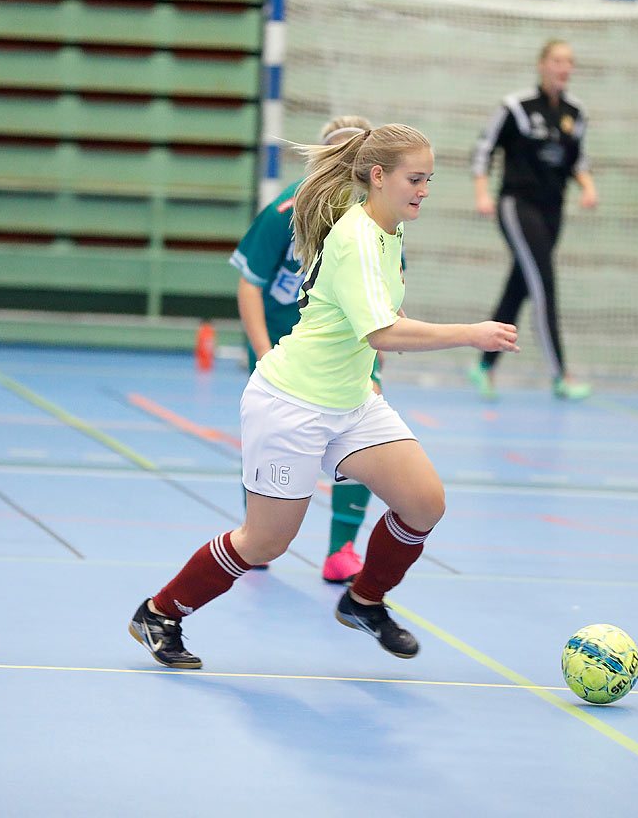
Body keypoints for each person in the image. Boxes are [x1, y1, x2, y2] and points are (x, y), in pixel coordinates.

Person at [132, 123, 519, 668]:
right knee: (266, 542)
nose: (424, 190)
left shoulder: (389, 229)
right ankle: (160, 611)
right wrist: (469, 333)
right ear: (378, 177)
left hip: (350, 400)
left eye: (429, 179)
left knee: (425, 502)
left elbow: (382, 316)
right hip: (291, 402)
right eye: (415, 178)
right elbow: (382, 334)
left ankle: (364, 600)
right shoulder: (358, 236)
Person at [229, 114, 379, 584]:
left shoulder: (377, 217)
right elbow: (250, 284)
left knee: (361, 441)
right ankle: (256, 537)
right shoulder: (287, 211)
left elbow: (384, 296)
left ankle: (342, 549)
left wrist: (374, 362)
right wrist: (263, 352)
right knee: (271, 442)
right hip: (283, 349)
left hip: (342, 351)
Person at [468, 39, 597, 402]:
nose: (563, 67)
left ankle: (483, 366)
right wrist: (481, 193)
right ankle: (561, 375)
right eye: (557, 60)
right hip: (516, 206)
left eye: (569, 61)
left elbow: (578, 161)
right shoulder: (515, 107)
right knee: (544, 284)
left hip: (553, 211)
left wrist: (588, 186)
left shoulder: (576, 113)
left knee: (520, 286)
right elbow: (483, 150)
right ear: (542, 64)